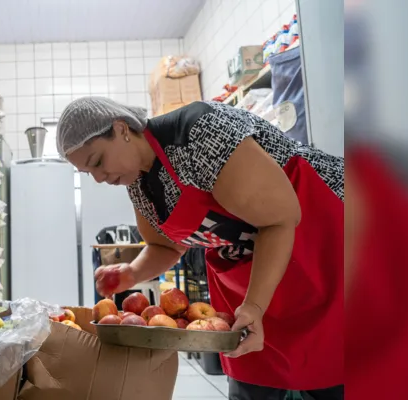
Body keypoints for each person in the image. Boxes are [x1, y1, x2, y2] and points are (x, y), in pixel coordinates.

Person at [56, 97, 343, 400]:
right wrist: (131, 273)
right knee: (254, 376)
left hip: (320, 245)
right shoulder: (139, 185)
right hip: (253, 275)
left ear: (121, 129)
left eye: (98, 162)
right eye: (89, 174)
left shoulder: (199, 134)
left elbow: (279, 220)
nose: (99, 178)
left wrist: (256, 305)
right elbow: (165, 246)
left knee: (333, 368)